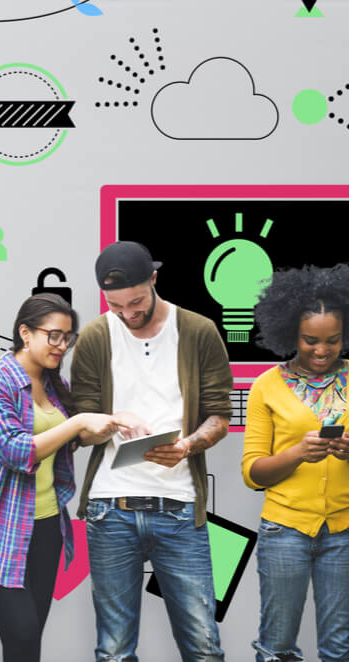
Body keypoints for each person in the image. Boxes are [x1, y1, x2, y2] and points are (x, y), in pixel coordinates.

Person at [70, 241, 234, 662]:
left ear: (155, 280)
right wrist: (108, 421)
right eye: (115, 304)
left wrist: (188, 446)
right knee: (114, 651)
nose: (127, 313)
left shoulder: (198, 330)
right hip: (110, 509)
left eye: (137, 301)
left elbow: (219, 416)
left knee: (203, 646)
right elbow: (81, 430)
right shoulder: (94, 336)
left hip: (180, 507)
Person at [0, 293, 123, 662]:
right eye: (54, 335)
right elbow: (17, 451)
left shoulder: (51, 384)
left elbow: (69, 441)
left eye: (68, 337)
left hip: (46, 527)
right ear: (25, 333)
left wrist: (110, 426)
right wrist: (80, 421)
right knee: (23, 632)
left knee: (28, 646)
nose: (61, 346)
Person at [242, 263, 349, 662]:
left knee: (340, 648)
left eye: (334, 340)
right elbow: (252, 473)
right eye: (310, 340)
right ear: (291, 331)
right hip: (284, 531)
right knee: (276, 647)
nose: (322, 350)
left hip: (346, 531)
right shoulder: (267, 386)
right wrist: (295, 455)